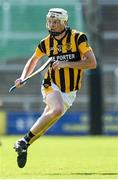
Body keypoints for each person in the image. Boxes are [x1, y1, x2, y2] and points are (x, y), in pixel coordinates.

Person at [14, 8, 97, 168]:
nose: (51, 25)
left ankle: (24, 144)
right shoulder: (46, 42)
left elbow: (92, 63)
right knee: (57, 109)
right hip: (51, 84)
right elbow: (33, 60)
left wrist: (67, 63)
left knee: (44, 125)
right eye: (50, 21)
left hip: (70, 91)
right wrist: (23, 77)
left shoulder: (78, 38)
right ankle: (24, 141)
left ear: (64, 22)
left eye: (55, 22)